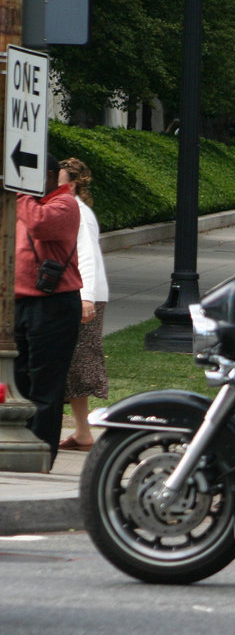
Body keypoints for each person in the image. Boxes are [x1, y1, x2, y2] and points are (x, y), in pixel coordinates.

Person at [14, 154, 82, 465]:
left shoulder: (65, 203)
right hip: (19, 303)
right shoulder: (24, 205)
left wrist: (19, 191)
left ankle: (40, 455)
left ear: (52, 176)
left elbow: (40, 225)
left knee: (45, 386)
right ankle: (18, 446)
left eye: (30, 176)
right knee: (16, 382)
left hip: (53, 306)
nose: (25, 183)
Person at [58, 158, 109, 452]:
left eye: (59, 178)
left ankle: (83, 432)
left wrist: (86, 297)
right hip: (80, 293)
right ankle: (81, 432)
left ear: (72, 183)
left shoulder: (79, 211)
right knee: (74, 363)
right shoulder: (69, 208)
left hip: (85, 295)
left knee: (80, 361)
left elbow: (86, 254)